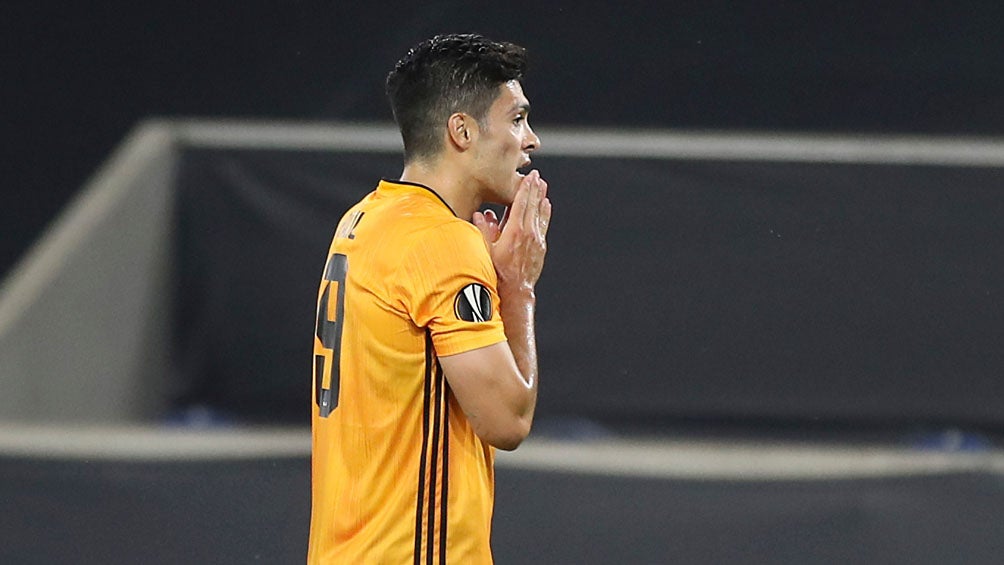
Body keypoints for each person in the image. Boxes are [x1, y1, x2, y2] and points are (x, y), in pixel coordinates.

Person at [307, 33, 551, 564]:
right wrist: (518, 289)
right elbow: (507, 421)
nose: (531, 140)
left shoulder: (361, 220)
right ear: (462, 132)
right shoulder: (441, 241)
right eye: (516, 119)